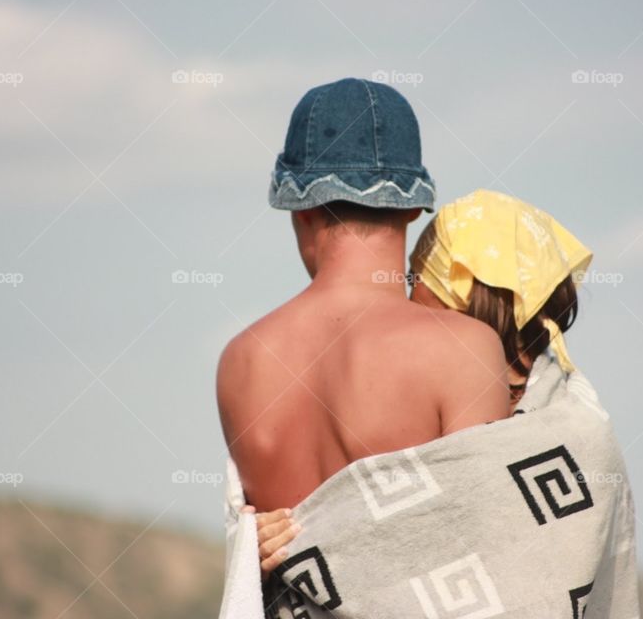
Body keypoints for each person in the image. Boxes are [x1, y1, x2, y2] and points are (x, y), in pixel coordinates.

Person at [252, 189, 602, 577]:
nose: (404, 296)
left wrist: (301, 542)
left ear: (450, 290)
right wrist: (262, 544)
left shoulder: (575, 430)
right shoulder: (585, 426)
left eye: (415, 278)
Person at [216, 81, 510, 536]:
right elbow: (495, 535)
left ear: (300, 210)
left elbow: (261, 537)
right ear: (414, 208)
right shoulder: (462, 350)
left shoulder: (242, 360)